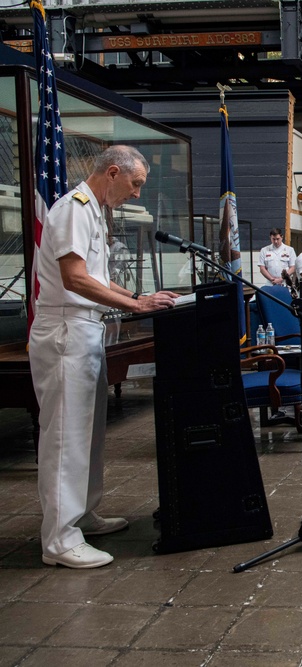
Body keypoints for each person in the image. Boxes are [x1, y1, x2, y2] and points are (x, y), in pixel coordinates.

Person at [30, 145, 178, 568]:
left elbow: (98, 277)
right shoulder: (74, 208)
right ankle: (59, 539)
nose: (136, 194)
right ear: (112, 172)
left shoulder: (94, 211)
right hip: (65, 331)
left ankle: (82, 515)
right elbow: (74, 278)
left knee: (87, 434)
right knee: (64, 438)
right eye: (135, 184)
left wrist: (138, 296)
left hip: (85, 329)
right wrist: (136, 308)